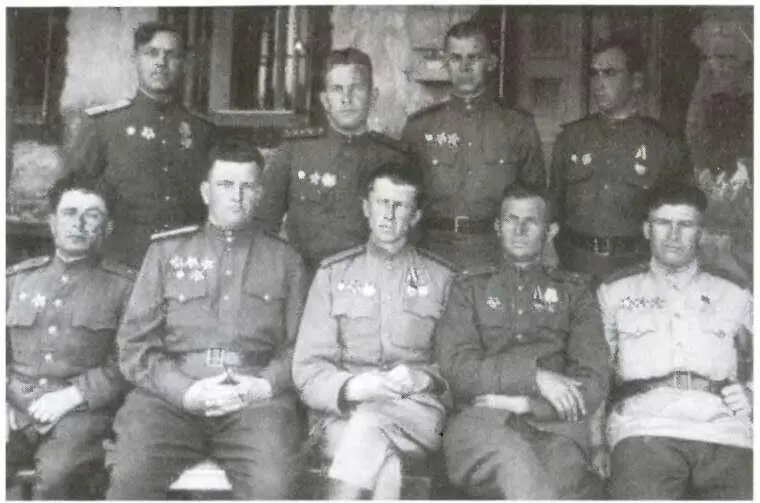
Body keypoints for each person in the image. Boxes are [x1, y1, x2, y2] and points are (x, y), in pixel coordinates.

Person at [106, 143, 308, 499]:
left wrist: (264, 385)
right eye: (226, 185)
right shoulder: (166, 253)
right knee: (130, 476)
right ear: (205, 192)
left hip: (255, 402)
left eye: (247, 186)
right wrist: (184, 391)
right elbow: (135, 345)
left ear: (260, 194)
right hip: (169, 400)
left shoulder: (286, 260)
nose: (237, 196)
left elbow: (301, 347)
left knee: (274, 485)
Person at [435, 183, 611, 499]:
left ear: (550, 231)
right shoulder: (468, 288)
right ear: (497, 227)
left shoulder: (575, 293)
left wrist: (526, 404)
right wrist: (534, 377)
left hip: (554, 428)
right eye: (510, 220)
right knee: (515, 464)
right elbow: (457, 367)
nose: (519, 230)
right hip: (479, 423)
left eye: (530, 221)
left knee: (566, 480)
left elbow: (593, 381)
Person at [292, 162, 454, 499]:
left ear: (415, 216)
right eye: (382, 203)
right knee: (384, 465)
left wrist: (422, 379)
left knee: (369, 424)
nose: (389, 215)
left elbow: (456, 369)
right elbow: (307, 370)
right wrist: (353, 387)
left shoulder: (441, 278)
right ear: (366, 207)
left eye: (400, 206)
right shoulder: (333, 275)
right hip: (343, 413)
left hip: (414, 411)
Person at [594, 183, 752, 499]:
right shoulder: (615, 292)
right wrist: (596, 442)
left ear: (700, 233)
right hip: (645, 428)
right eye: (663, 223)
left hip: (725, 431)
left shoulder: (733, 292)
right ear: (646, 229)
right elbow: (595, 370)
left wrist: (752, 392)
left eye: (685, 225)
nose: (673, 235)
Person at [6, 173, 133, 499]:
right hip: (16, 407)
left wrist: (72, 396)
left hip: (82, 415)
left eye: (92, 215)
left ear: (107, 227)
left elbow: (129, 363)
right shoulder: (15, 281)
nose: (79, 224)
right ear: (52, 223)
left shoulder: (123, 288)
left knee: (57, 475)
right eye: (70, 213)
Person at [66, 22, 216, 268]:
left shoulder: (202, 131)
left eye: (171, 55)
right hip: (122, 265)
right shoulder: (104, 125)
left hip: (184, 264)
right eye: (151, 53)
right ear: (135, 59)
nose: (161, 63)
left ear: (184, 64)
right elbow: (74, 198)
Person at [402, 20, 545, 271]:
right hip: (432, 253)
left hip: (494, 255)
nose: (465, 67)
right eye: (456, 58)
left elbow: (536, 200)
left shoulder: (517, 127)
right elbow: (405, 198)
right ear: (445, 63)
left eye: (474, 58)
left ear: (491, 62)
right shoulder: (419, 128)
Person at [255, 48, 409, 276]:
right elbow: (264, 224)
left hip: (369, 280)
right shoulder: (296, 150)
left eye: (356, 88)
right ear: (325, 100)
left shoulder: (393, 158)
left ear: (373, 97)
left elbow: (407, 235)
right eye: (337, 89)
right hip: (306, 278)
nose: (346, 98)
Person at [549, 37, 692, 282]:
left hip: (634, 273)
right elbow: (553, 208)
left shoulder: (663, 144)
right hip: (574, 269)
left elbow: (678, 218)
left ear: (636, 81)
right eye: (594, 74)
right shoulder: (571, 138)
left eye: (610, 73)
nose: (598, 83)